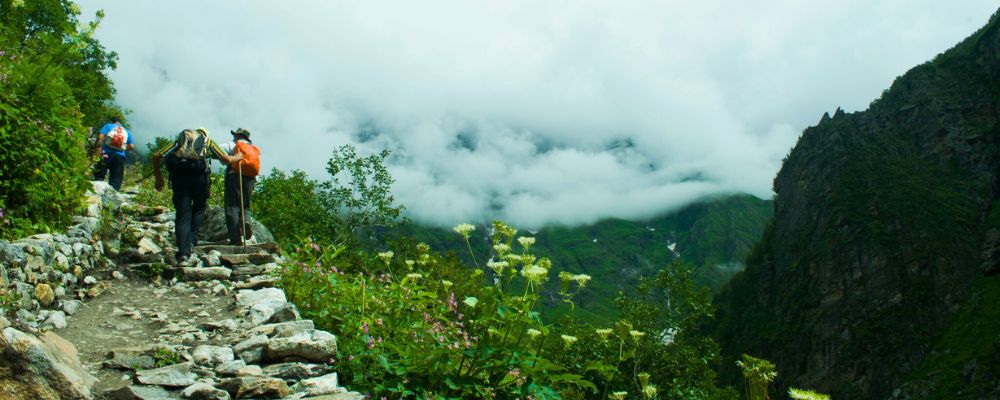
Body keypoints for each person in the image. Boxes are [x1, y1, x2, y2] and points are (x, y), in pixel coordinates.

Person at [151, 128, 242, 266]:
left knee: (183, 214)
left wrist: (159, 178)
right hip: (200, 180)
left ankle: (183, 254)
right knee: (199, 208)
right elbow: (226, 159)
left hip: (179, 179)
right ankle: (192, 240)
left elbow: (157, 156)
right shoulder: (208, 141)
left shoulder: (181, 141)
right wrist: (238, 157)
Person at [220, 128, 259, 245]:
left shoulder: (232, 144)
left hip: (234, 176)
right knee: (245, 206)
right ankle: (246, 221)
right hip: (250, 179)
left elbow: (219, 153)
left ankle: (235, 239)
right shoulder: (252, 148)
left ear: (237, 135)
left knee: (232, 206)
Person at [93, 116, 135, 190]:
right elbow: (131, 146)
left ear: (112, 121)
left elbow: (100, 137)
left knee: (99, 174)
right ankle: (114, 195)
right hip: (119, 157)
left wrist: (97, 148)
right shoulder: (126, 131)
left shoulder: (108, 126)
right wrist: (122, 149)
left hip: (106, 154)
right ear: (120, 122)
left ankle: (97, 190)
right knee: (116, 178)